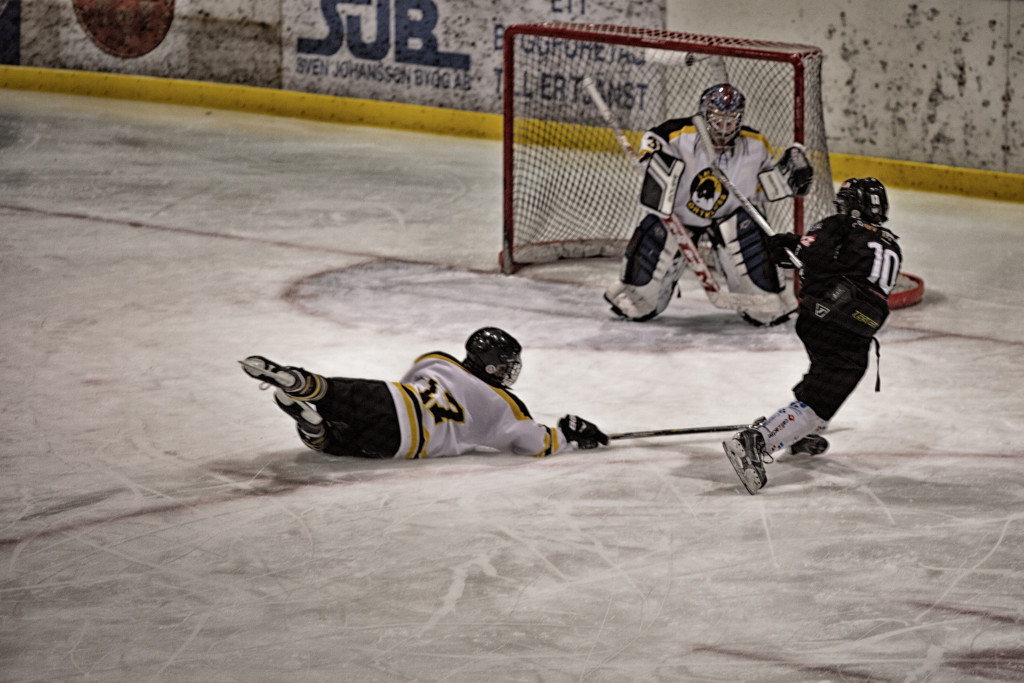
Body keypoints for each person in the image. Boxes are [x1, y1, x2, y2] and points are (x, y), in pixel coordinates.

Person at [722, 178, 903, 494]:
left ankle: (797, 429)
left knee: (830, 376)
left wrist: (789, 246)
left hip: (828, 319)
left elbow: (813, 258)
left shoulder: (840, 224)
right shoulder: (890, 242)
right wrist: (795, 246)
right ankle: (757, 440)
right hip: (850, 323)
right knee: (829, 385)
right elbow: (845, 264)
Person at [604, 82, 814, 326]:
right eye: (717, 120)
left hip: (730, 220)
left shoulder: (755, 145)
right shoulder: (676, 135)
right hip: (679, 219)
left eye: (731, 121)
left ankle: (764, 295)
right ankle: (639, 294)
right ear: (704, 115)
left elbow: (764, 189)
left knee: (763, 299)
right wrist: (653, 158)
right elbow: (651, 142)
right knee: (638, 303)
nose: (724, 129)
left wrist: (789, 178)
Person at [239, 327, 608, 459]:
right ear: (493, 366)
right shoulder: (505, 406)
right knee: (336, 444)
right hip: (403, 444)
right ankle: (316, 428)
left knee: (336, 391)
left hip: (394, 399)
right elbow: (533, 443)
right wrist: (567, 434)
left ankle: (301, 383)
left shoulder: (436, 360)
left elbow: (408, 380)